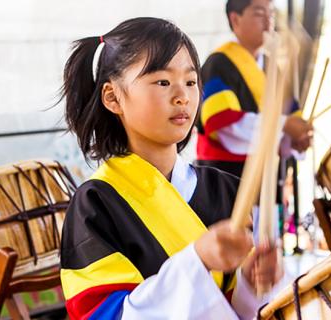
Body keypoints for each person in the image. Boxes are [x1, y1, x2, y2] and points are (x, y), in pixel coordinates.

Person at [59, 17, 281, 320]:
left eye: (191, 82)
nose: (183, 96)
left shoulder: (226, 189)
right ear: (113, 97)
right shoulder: (96, 203)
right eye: (163, 82)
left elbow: (236, 309)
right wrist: (198, 261)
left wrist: (251, 285)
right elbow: (105, 314)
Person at [195, 0, 313, 178]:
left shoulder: (272, 67)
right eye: (259, 13)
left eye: (271, 14)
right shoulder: (218, 63)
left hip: (268, 177)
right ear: (235, 19)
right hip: (226, 177)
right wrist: (283, 125)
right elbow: (222, 123)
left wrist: (296, 139)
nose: (268, 21)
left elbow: (290, 117)